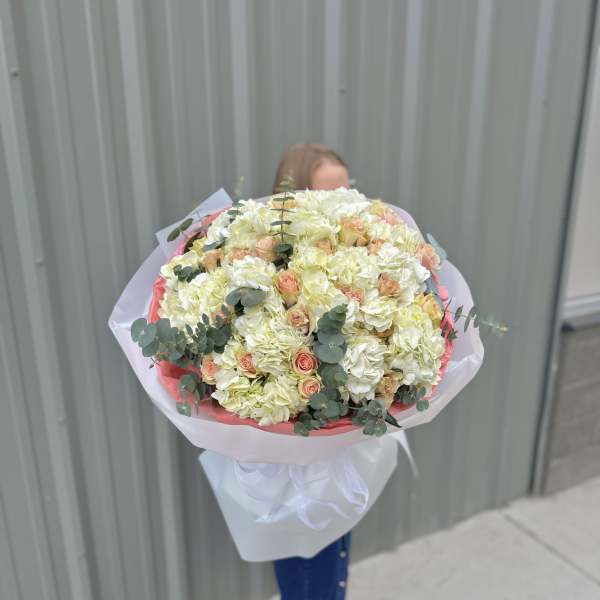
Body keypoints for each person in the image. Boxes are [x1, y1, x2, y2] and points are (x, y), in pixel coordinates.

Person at [271, 143, 352, 600]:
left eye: (348, 192)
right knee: (307, 564)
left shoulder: (358, 256)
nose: (344, 206)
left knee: (335, 554)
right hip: (291, 457)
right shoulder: (270, 269)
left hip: (339, 444)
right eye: (327, 196)